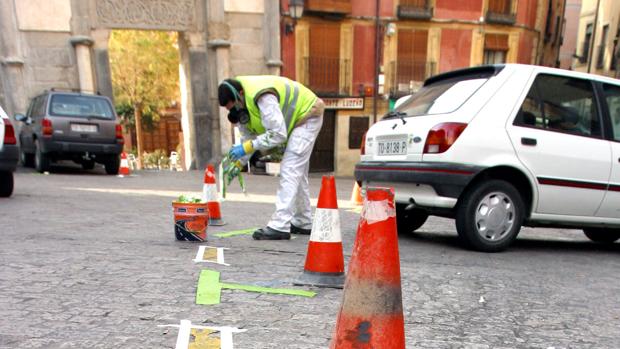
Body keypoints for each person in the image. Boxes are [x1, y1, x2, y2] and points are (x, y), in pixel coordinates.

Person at [218, 76, 324, 240]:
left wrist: (247, 148)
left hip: (308, 114)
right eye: (230, 109)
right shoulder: (241, 107)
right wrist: (239, 163)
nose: (235, 110)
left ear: (240, 93)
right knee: (298, 173)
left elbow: (277, 134)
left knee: (290, 169)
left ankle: (280, 226)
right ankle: (303, 222)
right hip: (297, 121)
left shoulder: (263, 97)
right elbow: (247, 139)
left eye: (235, 105)